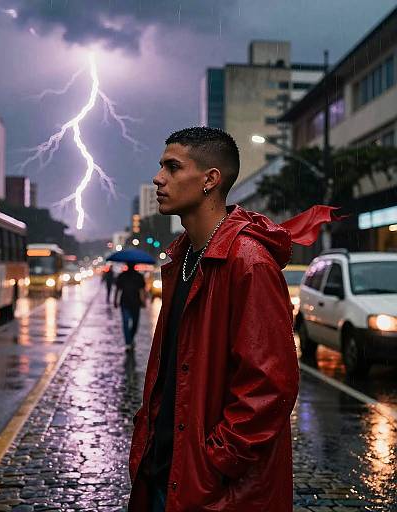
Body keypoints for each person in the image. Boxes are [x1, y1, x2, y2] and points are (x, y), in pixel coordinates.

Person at [128, 127, 340, 512]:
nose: (159, 178)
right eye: (161, 167)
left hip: (213, 489)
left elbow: (269, 389)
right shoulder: (182, 258)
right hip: (168, 474)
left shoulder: (248, 262)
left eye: (173, 168)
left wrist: (214, 463)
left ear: (211, 179)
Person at [114, 262, 146, 350]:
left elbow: (117, 290)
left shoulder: (135, 276)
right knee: (129, 323)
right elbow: (142, 291)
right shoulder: (135, 276)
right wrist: (143, 302)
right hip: (130, 303)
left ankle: (129, 340)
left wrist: (115, 300)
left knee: (129, 323)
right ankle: (129, 341)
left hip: (130, 303)